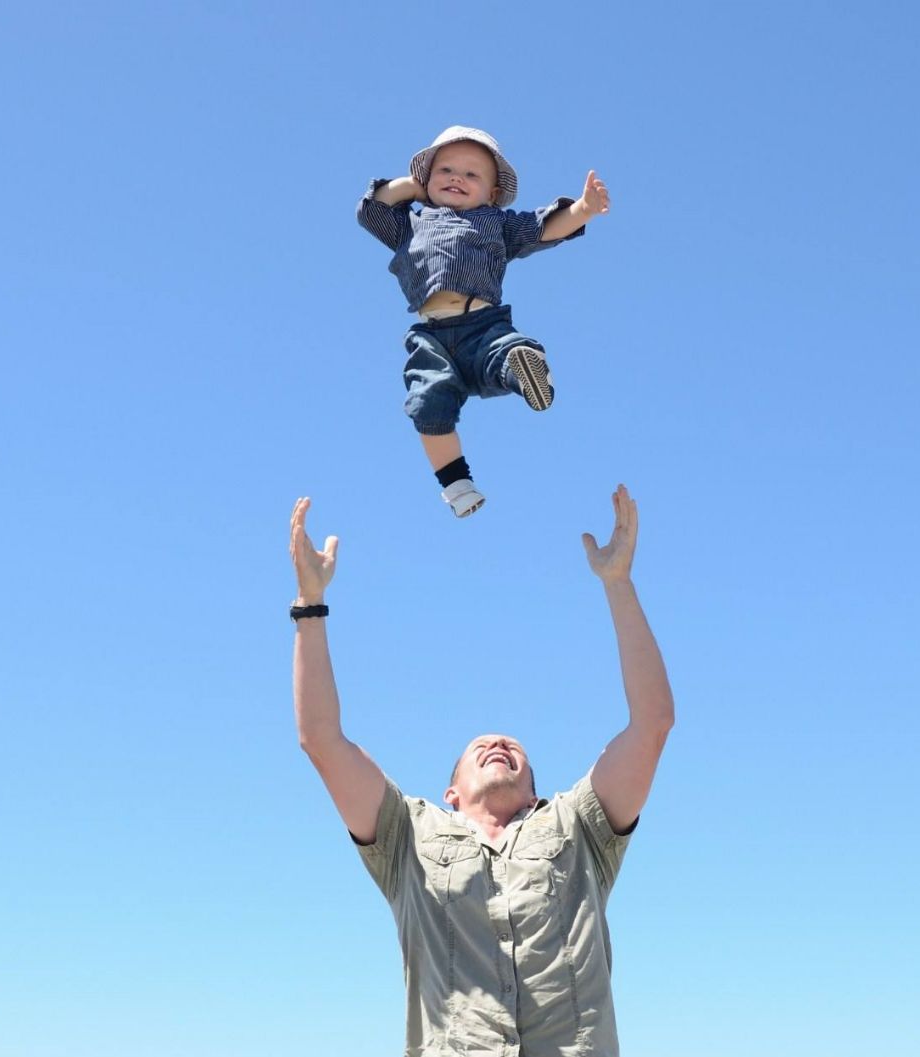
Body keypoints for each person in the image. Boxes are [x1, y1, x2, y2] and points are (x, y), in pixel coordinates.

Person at [289, 484, 673, 1056]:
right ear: (451, 792)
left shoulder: (579, 828)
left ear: (535, 793)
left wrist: (618, 583)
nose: (496, 742)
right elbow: (321, 740)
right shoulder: (406, 836)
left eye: (511, 746)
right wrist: (310, 603)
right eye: (480, 747)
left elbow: (652, 725)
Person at [356, 125, 610, 517]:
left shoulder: (497, 223)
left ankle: (525, 370)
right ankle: (457, 487)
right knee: (426, 403)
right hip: (430, 337)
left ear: (492, 194)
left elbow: (544, 227)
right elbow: (372, 210)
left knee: (502, 354)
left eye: (471, 174)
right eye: (445, 171)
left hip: (482, 324)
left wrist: (583, 209)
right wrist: (412, 187)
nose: (456, 178)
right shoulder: (411, 224)